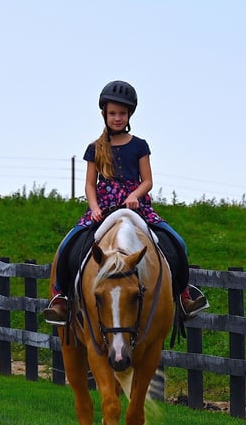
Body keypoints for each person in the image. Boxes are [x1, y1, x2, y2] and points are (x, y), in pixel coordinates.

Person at [42, 80, 208, 326]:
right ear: (104, 114)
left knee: (178, 242)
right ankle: (61, 298)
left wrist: (135, 196)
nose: (117, 118)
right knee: (68, 243)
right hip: (104, 205)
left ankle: (183, 296)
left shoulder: (139, 145)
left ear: (129, 114)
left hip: (135, 205)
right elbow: (89, 184)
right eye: (112, 113)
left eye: (122, 113)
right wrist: (95, 207)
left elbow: (148, 180)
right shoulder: (95, 148)